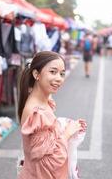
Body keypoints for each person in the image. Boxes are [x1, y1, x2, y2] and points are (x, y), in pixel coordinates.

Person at [17, 51, 87, 179]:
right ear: (36, 74)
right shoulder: (37, 111)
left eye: (62, 74)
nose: (59, 78)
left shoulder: (43, 102)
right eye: (53, 72)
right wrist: (67, 133)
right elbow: (50, 161)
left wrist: (64, 127)